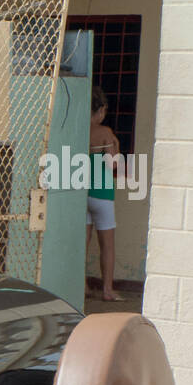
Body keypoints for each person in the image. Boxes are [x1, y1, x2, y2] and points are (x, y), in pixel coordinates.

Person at [86, 85, 123, 303]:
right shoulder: (105, 132)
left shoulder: (79, 129)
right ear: (101, 110)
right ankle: (107, 290)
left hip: (82, 193)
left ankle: (81, 285)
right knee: (107, 245)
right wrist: (116, 144)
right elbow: (112, 165)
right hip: (102, 194)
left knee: (83, 243)